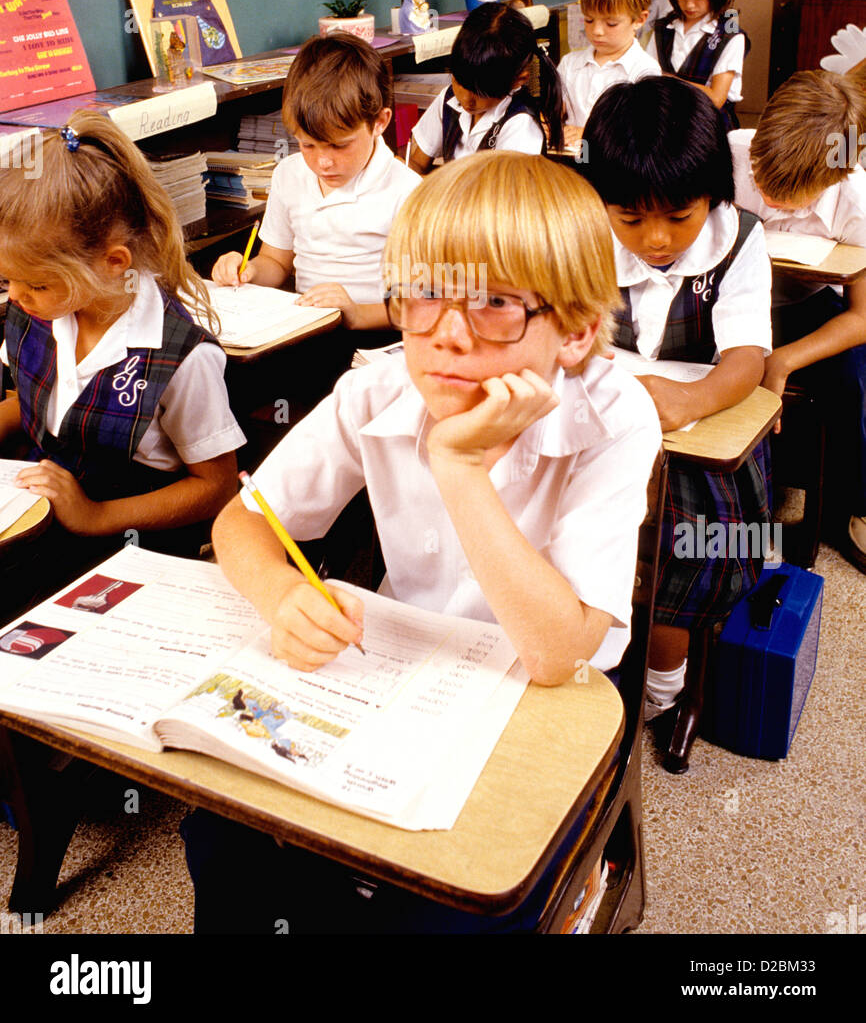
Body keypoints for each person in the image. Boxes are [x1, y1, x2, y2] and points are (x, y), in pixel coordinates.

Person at [183, 152, 660, 933]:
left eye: (497, 303)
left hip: (540, 709)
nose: (447, 335)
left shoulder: (616, 419)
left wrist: (459, 464)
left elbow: (555, 654)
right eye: (425, 294)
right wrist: (282, 594)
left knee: (462, 907)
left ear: (573, 331)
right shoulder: (376, 387)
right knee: (224, 837)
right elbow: (241, 520)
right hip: (403, 678)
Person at [0, 114, 244, 619]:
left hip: (127, 546)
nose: (17, 297)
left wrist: (94, 516)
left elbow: (215, 485)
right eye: (7, 283)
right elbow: (33, 400)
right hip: (38, 522)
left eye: (35, 284)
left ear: (114, 262)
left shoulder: (182, 357)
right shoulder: (39, 310)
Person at [582, 78, 773, 722]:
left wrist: (692, 400)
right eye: (631, 219)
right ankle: (582, 652)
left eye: (678, 217)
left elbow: (748, 359)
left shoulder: (739, 241)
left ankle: (663, 689)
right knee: (573, 524)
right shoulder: (588, 239)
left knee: (688, 553)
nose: (656, 238)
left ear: (714, 195)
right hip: (603, 423)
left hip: (697, 436)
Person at [212, 32, 420, 408]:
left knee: (331, 403)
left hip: (374, 335)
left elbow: (419, 305)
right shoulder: (289, 175)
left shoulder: (407, 192)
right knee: (221, 381)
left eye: (339, 145)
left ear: (380, 122)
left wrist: (355, 313)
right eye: (307, 144)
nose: (323, 162)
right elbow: (276, 261)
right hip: (303, 330)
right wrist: (247, 271)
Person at [729, 69, 866, 570]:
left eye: (788, 197)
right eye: (762, 180)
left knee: (853, 380)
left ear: (835, 173)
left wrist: (782, 361)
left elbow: (863, 317)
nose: (767, 200)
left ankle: (849, 509)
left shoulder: (855, 201)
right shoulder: (732, 153)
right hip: (730, 297)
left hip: (805, 306)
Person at [407, 3, 566, 171]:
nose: (467, 100)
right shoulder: (449, 99)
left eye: (480, 93)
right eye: (459, 82)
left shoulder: (521, 125)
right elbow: (416, 164)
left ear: (518, 80)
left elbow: (502, 196)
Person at [646, 0, 748, 130]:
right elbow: (646, 77)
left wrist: (668, 80)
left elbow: (716, 98)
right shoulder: (663, 29)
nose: (689, 5)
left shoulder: (730, 36)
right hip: (667, 126)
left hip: (709, 130)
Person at [556, 0, 660, 141]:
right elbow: (556, 109)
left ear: (639, 20)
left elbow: (640, 134)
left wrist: (588, 136)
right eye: (588, 20)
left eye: (611, 23)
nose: (596, 31)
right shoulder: (570, 63)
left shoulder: (645, 70)